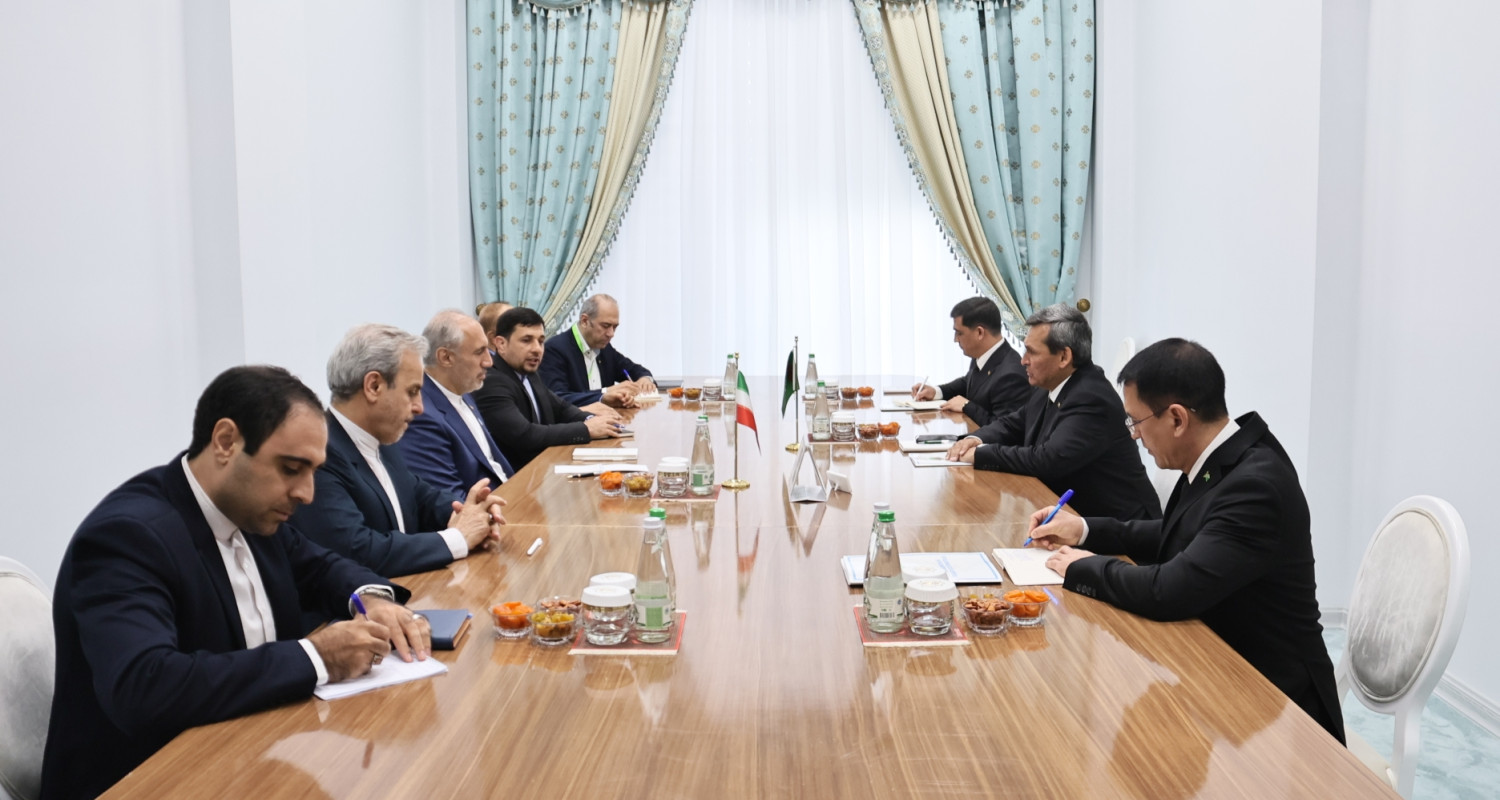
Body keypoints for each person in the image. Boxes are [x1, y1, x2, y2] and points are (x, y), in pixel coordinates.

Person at [42, 366, 432, 800]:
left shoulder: (250, 510)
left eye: (313, 472)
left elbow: (322, 567)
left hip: (255, 755)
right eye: (291, 469)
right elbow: (144, 687)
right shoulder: (128, 536)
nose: (307, 494)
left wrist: (373, 599)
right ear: (226, 442)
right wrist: (317, 657)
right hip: (150, 778)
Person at [1028, 338, 1345, 744]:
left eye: (1135, 422)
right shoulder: (1225, 457)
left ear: (1176, 419)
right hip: (1219, 667)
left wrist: (1081, 566)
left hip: (1274, 706)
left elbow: (1168, 591)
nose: (1134, 437)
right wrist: (1086, 529)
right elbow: (1183, 531)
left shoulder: (1255, 485)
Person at [289, 324, 505, 579]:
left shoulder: (383, 441)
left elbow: (422, 497)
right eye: (413, 391)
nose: (420, 407)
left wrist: (471, 512)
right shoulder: (320, 455)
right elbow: (358, 550)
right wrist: (458, 538)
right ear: (374, 386)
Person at [946, 304, 1159, 520]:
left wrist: (983, 454)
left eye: (1032, 352)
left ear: (1064, 357)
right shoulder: (1049, 385)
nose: (1023, 360)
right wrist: (976, 438)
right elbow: (1013, 424)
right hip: (1071, 516)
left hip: (1118, 529)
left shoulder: (1091, 398)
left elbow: (1047, 461)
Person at [475, 306, 626, 470]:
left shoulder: (528, 371)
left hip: (544, 467)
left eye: (540, 341)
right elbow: (525, 435)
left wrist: (592, 419)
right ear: (501, 344)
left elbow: (560, 408)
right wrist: (586, 429)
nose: (536, 349)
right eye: (526, 340)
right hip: (518, 478)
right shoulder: (491, 381)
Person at [398, 310, 515, 501]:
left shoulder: (464, 390)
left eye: (487, 349)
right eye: (479, 352)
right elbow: (451, 500)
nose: (489, 361)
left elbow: (494, 464)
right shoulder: (421, 416)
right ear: (445, 357)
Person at [911, 296, 1031, 425]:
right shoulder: (984, 355)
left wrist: (967, 406)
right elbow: (968, 383)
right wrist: (936, 392)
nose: (955, 339)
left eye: (959, 333)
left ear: (979, 333)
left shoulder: (1010, 375)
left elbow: (1005, 429)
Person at [539, 293, 652, 408]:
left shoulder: (604, 348)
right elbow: (558, 398)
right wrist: (605, 393)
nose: (611, 334)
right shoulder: (554, 349)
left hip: (608, 420)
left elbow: (634, 370)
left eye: (615, 327)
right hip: (577, 424)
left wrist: (645, 379)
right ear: (584, 321)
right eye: (606, 326)